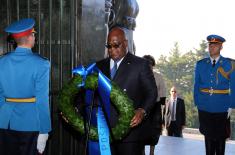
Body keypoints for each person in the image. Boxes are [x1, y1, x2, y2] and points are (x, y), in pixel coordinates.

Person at [96, 27, 157, 155]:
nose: (112, 50)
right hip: (104, 132)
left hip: (130, 134)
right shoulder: (99, 66)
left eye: (116, 45)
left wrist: (142, 110)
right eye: (109, 46)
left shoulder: (140, 65)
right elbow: (89, 93)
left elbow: (151, 93)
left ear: (125, 43)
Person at [0, 18, 51, 155]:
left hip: (5, 123)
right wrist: (44, 130)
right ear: (30, 37)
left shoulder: (2, 62)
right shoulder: (42, 64)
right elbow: (42, 100)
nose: (35, 37)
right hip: (31, 124)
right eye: (34, 34)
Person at [194, 34, 235, 155]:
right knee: (208, 136)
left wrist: (231, 105)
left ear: (221, 47)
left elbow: (233, 86)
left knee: (221, 137)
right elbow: (196, 85)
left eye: (215, 45)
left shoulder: (230, 64)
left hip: (222, 106)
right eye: (210, 45)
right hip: (204, 106)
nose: (211, 47)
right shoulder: (201, 64)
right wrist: (197, 102)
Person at [142, 55, 166, 155]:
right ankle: (141, 151)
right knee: (141, 130)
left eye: (150, 64)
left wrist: (161, 103)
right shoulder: (139, 75)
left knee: (155, 131)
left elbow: (163, 91)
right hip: (142, 107)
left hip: (155, 107)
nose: (149, 66)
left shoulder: (159, 77)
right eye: (146, 63)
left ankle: (152, 152)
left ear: (153, 65)